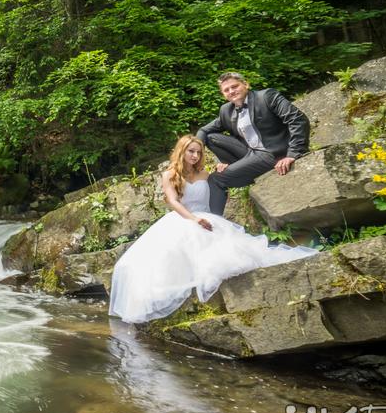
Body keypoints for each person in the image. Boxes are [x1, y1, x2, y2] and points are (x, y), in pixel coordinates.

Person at [108, 135, 317, 324]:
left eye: (198, 152)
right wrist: (194, 219)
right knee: (165, 254)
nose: (195, 155)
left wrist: (222, 170)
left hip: (208, 217)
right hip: (182, 218)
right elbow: (173, 201)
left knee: (231, 251)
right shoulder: (170, 174)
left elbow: (220, 188)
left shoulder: (205, 173)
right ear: (182, 151)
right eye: (191, 151)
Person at [197, 72, 310, 216]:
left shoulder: (266, 96)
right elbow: (203, 130)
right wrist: (198, 157)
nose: (231, 91)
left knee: (215, 179)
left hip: (273, 154)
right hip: (250, 153)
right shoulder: (226, 110)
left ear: (246, 84)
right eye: (226, 90)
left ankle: (215, 224)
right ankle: (235, 168)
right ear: (223, 94)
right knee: (211, 137)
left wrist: (293, 153)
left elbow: (298, 120)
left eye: (234, 86)